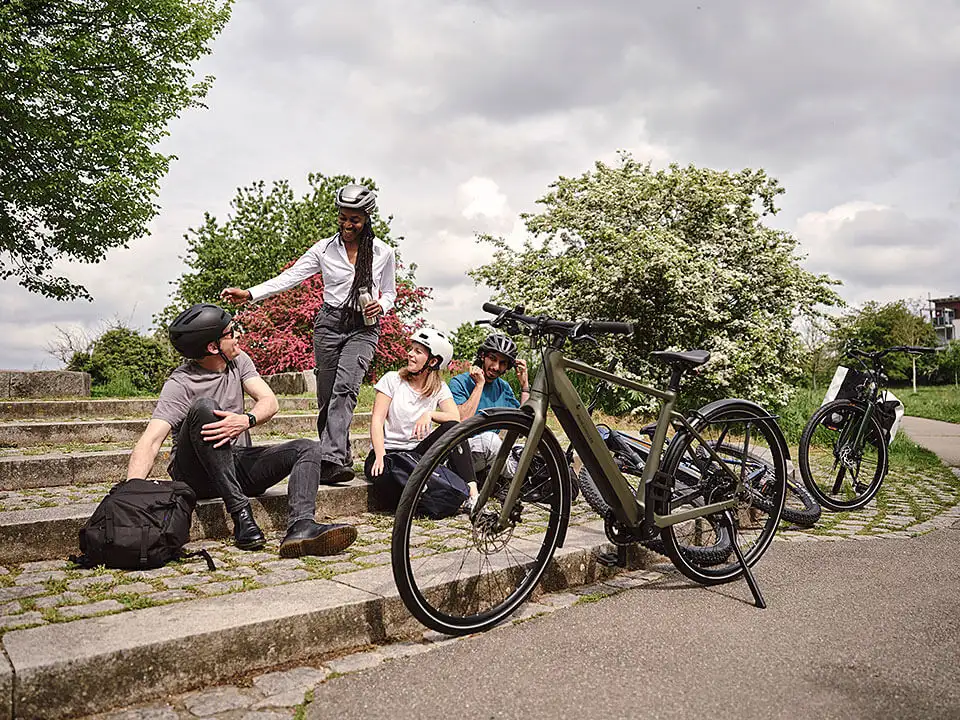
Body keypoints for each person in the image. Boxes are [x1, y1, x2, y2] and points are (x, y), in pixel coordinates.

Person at [126, 303, 358, 558]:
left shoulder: (239, 361)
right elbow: (151, 440)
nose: (238, 336)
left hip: (236, 464)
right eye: (230, 332)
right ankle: (240, 514)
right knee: (205, 409)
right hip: (196, 475)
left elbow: (269, 402)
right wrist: (130, 495)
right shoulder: (180, 383)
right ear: (213, 347)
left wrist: (245, 420)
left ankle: (301, 526)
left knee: (309, 448)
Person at [220, 184, 396, 485]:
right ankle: (337, 454)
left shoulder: (383, 252)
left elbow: (390, 292)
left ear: (366, 218)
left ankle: (332, 459)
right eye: (343, 217)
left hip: (363, 327)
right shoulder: (324, 249)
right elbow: (290, 277)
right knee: (327, 396)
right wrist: (250, 293)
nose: (347, 224)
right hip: (329, 324)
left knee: (345, 388)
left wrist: (381, 306)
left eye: (354, 219)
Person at [364, 328, 476, 501]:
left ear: (432, 362)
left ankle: (473, 493)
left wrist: (430, 414)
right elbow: (377, 421)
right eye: (411, 349)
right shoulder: (392, 379)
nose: (410, 354)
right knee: (386, 479)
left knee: (454, 429)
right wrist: (380, 455)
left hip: (417, 454)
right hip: (389, 453)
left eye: (418, 351)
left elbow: (454, 418)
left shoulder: (439, 387)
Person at [447, 334, 529, 469]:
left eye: (503, 363)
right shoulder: (459, 382)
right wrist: (479, 385)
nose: (496, 367)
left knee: (532, 451)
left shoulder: (503, 387)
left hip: (491, 454)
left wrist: (524, 387)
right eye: (492, 358)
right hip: (462, 453)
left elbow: (521, 428)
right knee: (490, 441)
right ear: (482, 356)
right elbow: (461, 421)